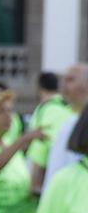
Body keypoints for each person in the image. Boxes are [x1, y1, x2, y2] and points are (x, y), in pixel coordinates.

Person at [29, 64, 88, 194]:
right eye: (64, 80)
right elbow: (40, 154)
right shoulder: (58, 114)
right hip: (59, 195)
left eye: (71, 79)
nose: (64, 85)